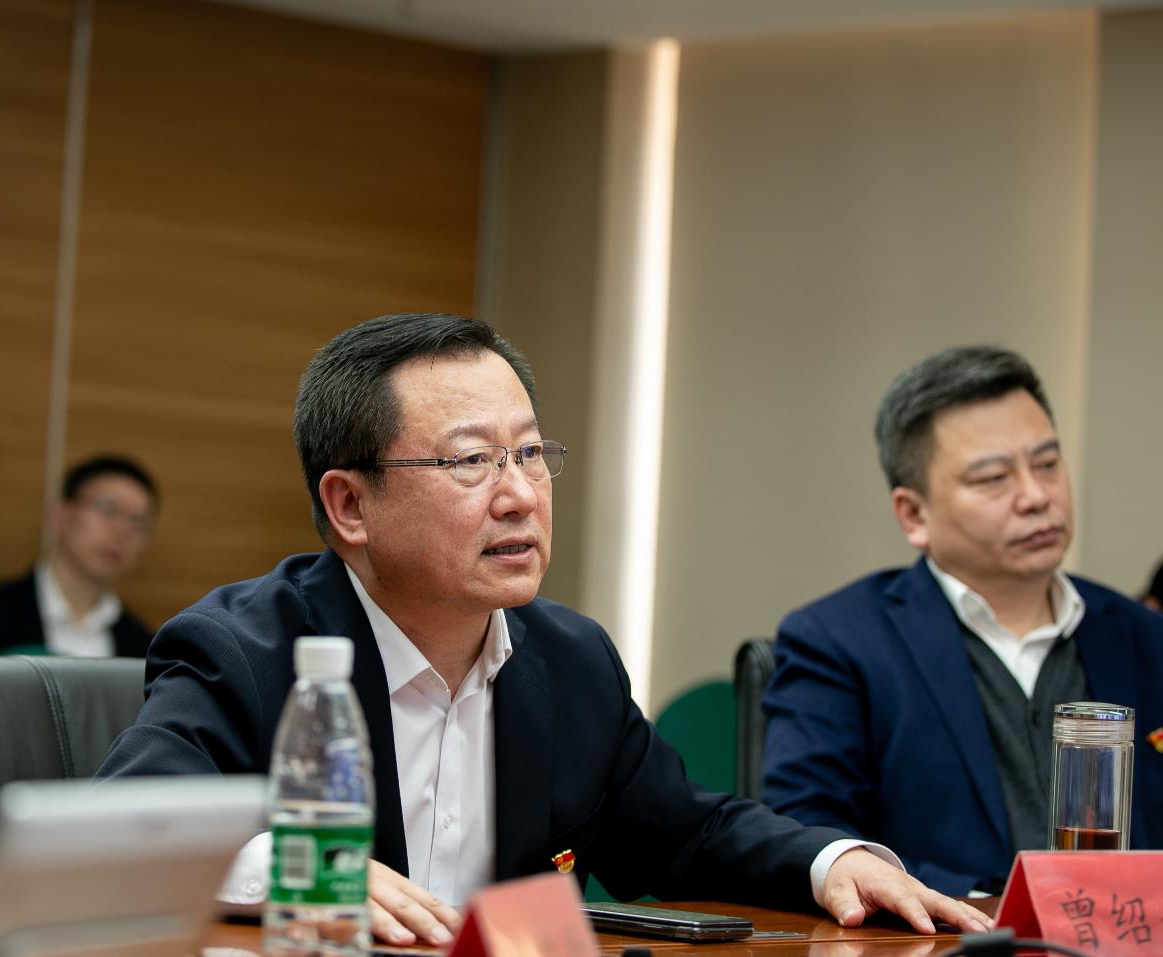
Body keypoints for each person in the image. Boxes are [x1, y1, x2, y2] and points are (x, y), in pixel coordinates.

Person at [97, 313, 989, 946]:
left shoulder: (571, 659)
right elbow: (127, 826)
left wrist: (830, 861)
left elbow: (687, 832)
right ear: (350, 505)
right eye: (471, 460)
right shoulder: (245, 650)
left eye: (530, 453)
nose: (521, 493)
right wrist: (302, 865)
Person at [761, 346, 1163, 897]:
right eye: (994, 477)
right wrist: (990, 906)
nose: (1036, 496)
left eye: (1047, 464)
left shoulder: (1143, 636)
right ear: (914, 515)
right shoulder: (840, 642)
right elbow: (813, 837)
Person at [0, 455, 157, 657]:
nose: (121, 529)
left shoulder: (145, 647)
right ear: (60, 516)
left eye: (137, 521)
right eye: (107, 509)